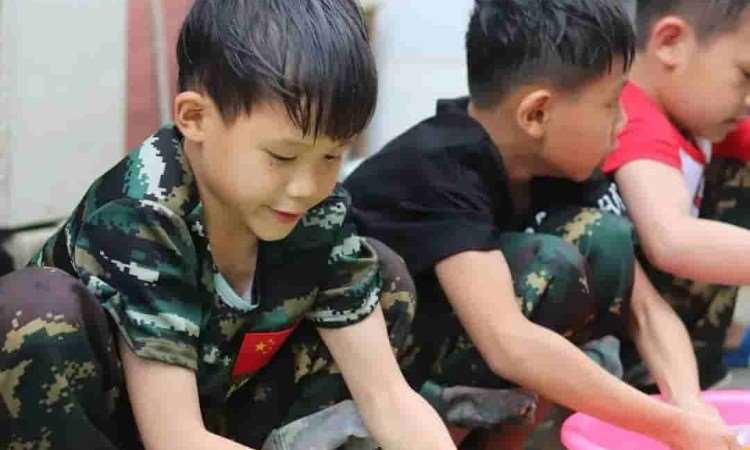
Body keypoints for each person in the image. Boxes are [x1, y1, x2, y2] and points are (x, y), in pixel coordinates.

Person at [0, 1, 456, 449]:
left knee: (385, 280)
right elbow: (174, 436)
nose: (306, 186)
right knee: (36, 311)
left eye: (332, 156)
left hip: (217, 421)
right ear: (195, 118)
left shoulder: (313, 210)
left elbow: (388, 399)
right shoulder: (141, 216)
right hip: (133, 428)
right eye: (282, 156)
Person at [344, 1, 740, 449]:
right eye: (611, 104)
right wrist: (671, 426)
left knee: (604, 240)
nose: (623, 121)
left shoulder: (558, 167)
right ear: (536, 114)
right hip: (357, 376)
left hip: (442, 352)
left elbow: (645, 309)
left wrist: (688, 404)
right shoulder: (441, 167)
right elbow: (508, 342)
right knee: (551, 264)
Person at [602, 0, 750, 386]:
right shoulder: (630, 117)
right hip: (623, 350)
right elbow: (671, 240)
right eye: (746, 75)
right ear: (670, 43)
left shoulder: (696, 113)